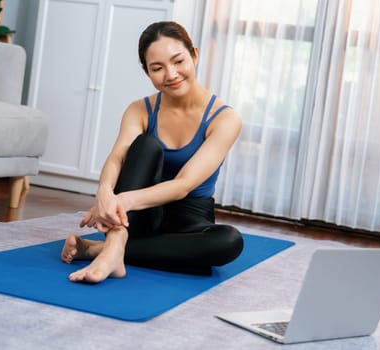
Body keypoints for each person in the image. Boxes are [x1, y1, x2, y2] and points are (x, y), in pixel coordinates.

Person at [60, 21, 244, 283]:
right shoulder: (140, 110)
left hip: (189, 218)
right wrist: (103, 194)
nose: (171, 74)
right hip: (138, 219)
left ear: (194, 54)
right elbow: (118, 157)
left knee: (228, 242)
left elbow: (183, 185)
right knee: (145, 144)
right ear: (146, 72)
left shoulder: (225, 119)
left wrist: (119, 202)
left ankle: (100, 249)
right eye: (157, 68)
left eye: (178, 61)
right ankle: (118, 242)